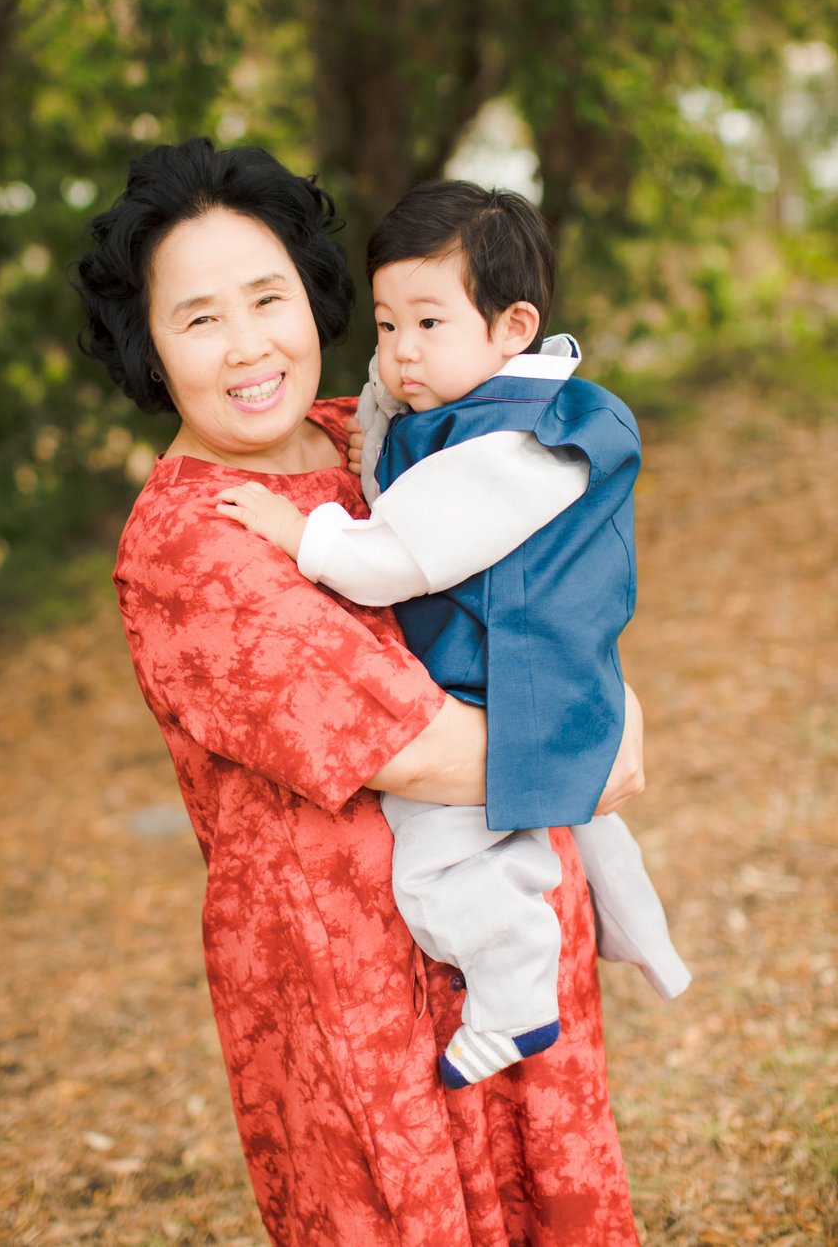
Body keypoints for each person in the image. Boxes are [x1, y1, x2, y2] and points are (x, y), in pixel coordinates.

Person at [76, 137, 645, 1246]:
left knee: (548, 1196)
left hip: (504, 920)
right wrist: (594, 742)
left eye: (267, 298)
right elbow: (410, 747)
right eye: (199, 319)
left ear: (312, 298)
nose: (249, 345)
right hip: (358, 989)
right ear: (148, 346)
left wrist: (616, 702)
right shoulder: (191, 544)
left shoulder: (376, 431)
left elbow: (553, 569)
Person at [217, 180, 690, 1092]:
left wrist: (300, 533)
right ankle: (638, 937)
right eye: (387, 324)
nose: (400, 352)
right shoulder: (478, 405)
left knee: (440, 857)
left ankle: (515, 993)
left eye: (428, 324)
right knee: (584, 830)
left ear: (513, 327)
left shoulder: (516, 448)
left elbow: (398, 555)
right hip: (520, 662)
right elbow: (400, 440)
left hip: (504, 675)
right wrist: (377, 438)